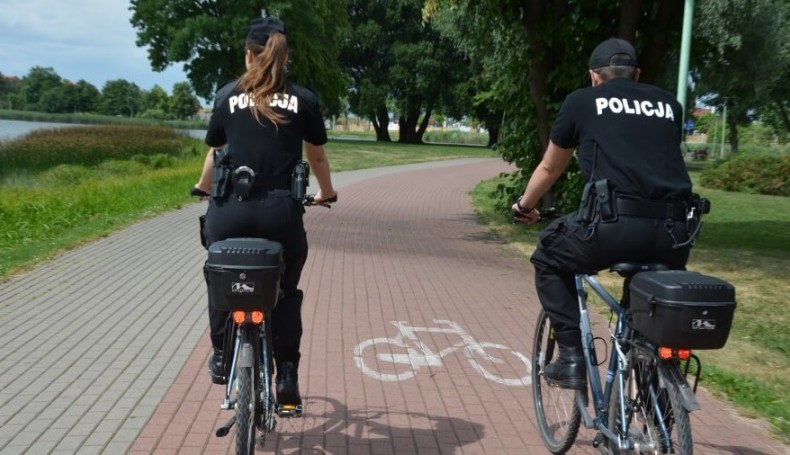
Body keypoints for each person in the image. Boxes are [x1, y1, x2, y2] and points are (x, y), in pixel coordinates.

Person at [511, 38, 693, 390]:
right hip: (674, 234)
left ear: (594, 76)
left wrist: (525, 206)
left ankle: (571, 358)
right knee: (645, 303)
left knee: (548, 257)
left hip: (612, 228)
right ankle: (656, 395)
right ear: (636, 75)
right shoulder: (670, 105)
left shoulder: (582, 101)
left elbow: (550, 168)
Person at [197, 16, 337, 407]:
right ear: (284, 55)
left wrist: (202, 187)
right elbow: (318, 156)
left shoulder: (227, 96)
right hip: (282, 216)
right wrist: (327, 193)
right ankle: (287, 376)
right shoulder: (302, 99)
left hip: (230, 215)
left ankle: (223, 355)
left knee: (219, 277)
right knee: (286, 293)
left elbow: (216, 152)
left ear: (248, 55)